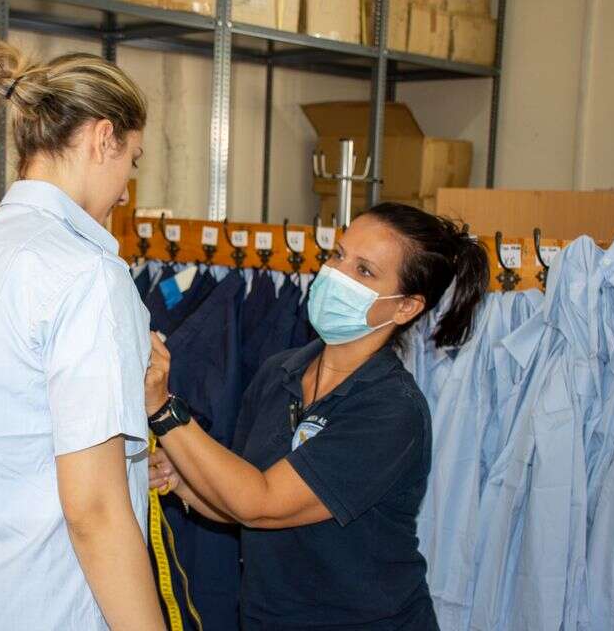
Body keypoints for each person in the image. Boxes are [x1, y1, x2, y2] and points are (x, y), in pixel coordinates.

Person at [0, 44, 164, 630]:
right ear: (103, 138)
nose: (127, 190)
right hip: (44, 606)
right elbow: (93, 510)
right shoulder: (86, 274)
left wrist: (126, 466)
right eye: (132, 160)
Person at [145, 204, 490, 630]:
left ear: (406, 307)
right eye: (338, 254)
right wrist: (184, 480)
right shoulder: (280, 372)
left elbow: (260, 502)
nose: (337, 274)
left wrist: (164, 410)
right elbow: (239, 500)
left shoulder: (390, 410)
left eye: (364, 271)